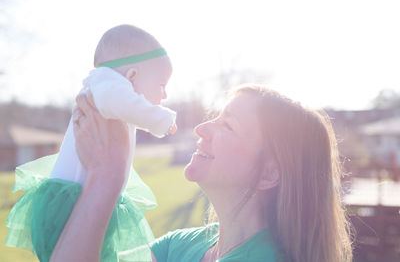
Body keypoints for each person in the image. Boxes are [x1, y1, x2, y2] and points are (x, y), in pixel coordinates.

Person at [50, 84, 353, 262]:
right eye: (215, 118)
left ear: (268, 174)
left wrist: (106, 178)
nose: (201, 129)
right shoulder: (182, 246)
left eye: (228, 125)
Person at [5, 24, 177, 262]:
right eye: (161, 85)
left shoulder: (109, 88)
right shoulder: (106, 83)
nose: (165, 95)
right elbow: (124, 103)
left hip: (83, 196)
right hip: (73, 200)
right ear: (132, 76)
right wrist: (163, 120)